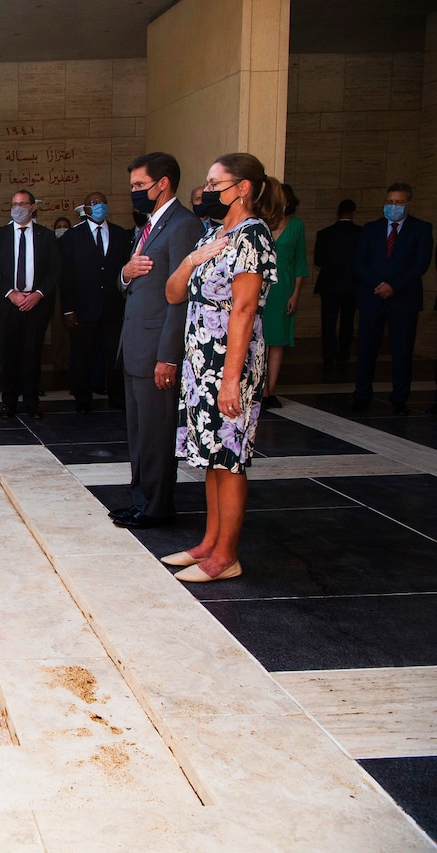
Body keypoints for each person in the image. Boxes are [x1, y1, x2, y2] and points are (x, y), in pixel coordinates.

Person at [162, 153, 282, 582]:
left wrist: (231, 379)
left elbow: (245, 309)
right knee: (211, 456)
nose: (208, 191)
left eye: (216, 183)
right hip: (200, 362)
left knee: (229, 458)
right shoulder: (213, 233)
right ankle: (209, 542)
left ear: (243, 187)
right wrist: (193, 261)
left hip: (230, 361)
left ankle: (226, 556)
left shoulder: (252, 236)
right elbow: (174, 293)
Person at [111, 152, 200, 530]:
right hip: (134, 345)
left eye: (139, 186)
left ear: (162, 183)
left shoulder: (183, 226)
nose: (134, 192)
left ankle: (158, 506)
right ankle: (141, 500)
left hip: (157, 351)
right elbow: (130, 284)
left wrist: (169, 356)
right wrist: (125, 274)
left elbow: (181, 298)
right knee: (140, 433)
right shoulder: (148, 226)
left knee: (157, 433)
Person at [351, 182, 433, 415]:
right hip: (372, 297)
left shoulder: (421, 229)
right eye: (389, 202)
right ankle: (362, 395)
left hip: (404, 299)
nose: (393, 207)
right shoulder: (370, 228)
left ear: (408, 203)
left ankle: (399, 398)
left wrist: (394, 286)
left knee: (402, 351)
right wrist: (378, 285)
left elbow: (421, 263)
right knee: (367, 349)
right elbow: (359, 262)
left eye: (398, 203)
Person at [0, 189, 61, 419]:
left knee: (32, 354)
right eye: (14, 204)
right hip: (8, 305)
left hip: (36, 305)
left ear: (33, 207)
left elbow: (54, 270)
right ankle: (9, 402)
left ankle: (31, 402)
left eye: (22, 204)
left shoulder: (46, 237)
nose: (17, 208)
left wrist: (38, 294)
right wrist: (11, 294)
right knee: (8, 355)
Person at [59, 192, 131, 412]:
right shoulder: (72, 237)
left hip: (113, 307)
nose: (99, 206)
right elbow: (66, 276)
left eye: (102, 203)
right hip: (83, 308)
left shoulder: (120, 235)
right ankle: (83, 399)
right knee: (83, 356)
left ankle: (117, 400)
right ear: (86, 209)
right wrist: (68, 310)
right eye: (94, 203)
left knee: (115, 358)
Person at [261, 184, 307, 409]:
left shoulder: (297, 226)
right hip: (260, 286)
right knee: (259, 340)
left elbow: (300, 263)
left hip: (284, 287)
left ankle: (271, 391)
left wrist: (296, 294)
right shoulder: (260, 224)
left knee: (277, 341)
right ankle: (259, 389)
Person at [313, 199, 361, 366]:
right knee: (348, 321)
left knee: (328, 321)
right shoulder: (360, 234)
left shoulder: (325, 233)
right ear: (353, 212)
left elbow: (318, 260)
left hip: (329, 283)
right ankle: (343, 352)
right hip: (352, 284)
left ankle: (328, 354)